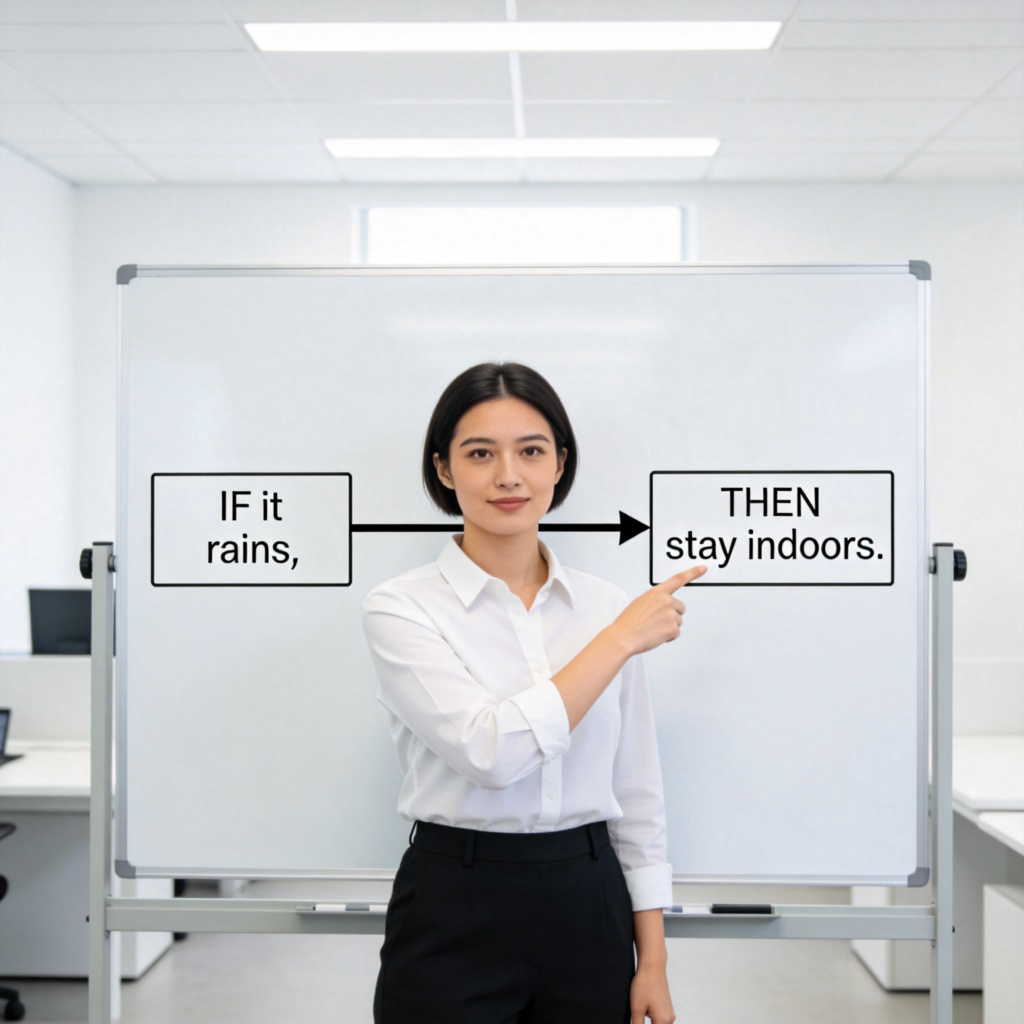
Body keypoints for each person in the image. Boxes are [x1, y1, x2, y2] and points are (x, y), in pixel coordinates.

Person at [362, 362, 705, 1024]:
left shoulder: (606, 606)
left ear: (559, 464)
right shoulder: (401, 608)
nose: (509, 476)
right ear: (443, 469)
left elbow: (637, 794)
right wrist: (618, 640)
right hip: (453, 899)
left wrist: (654, 960)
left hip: (589, 897)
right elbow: (490, 753)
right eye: (480, 454)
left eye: (531, 451)